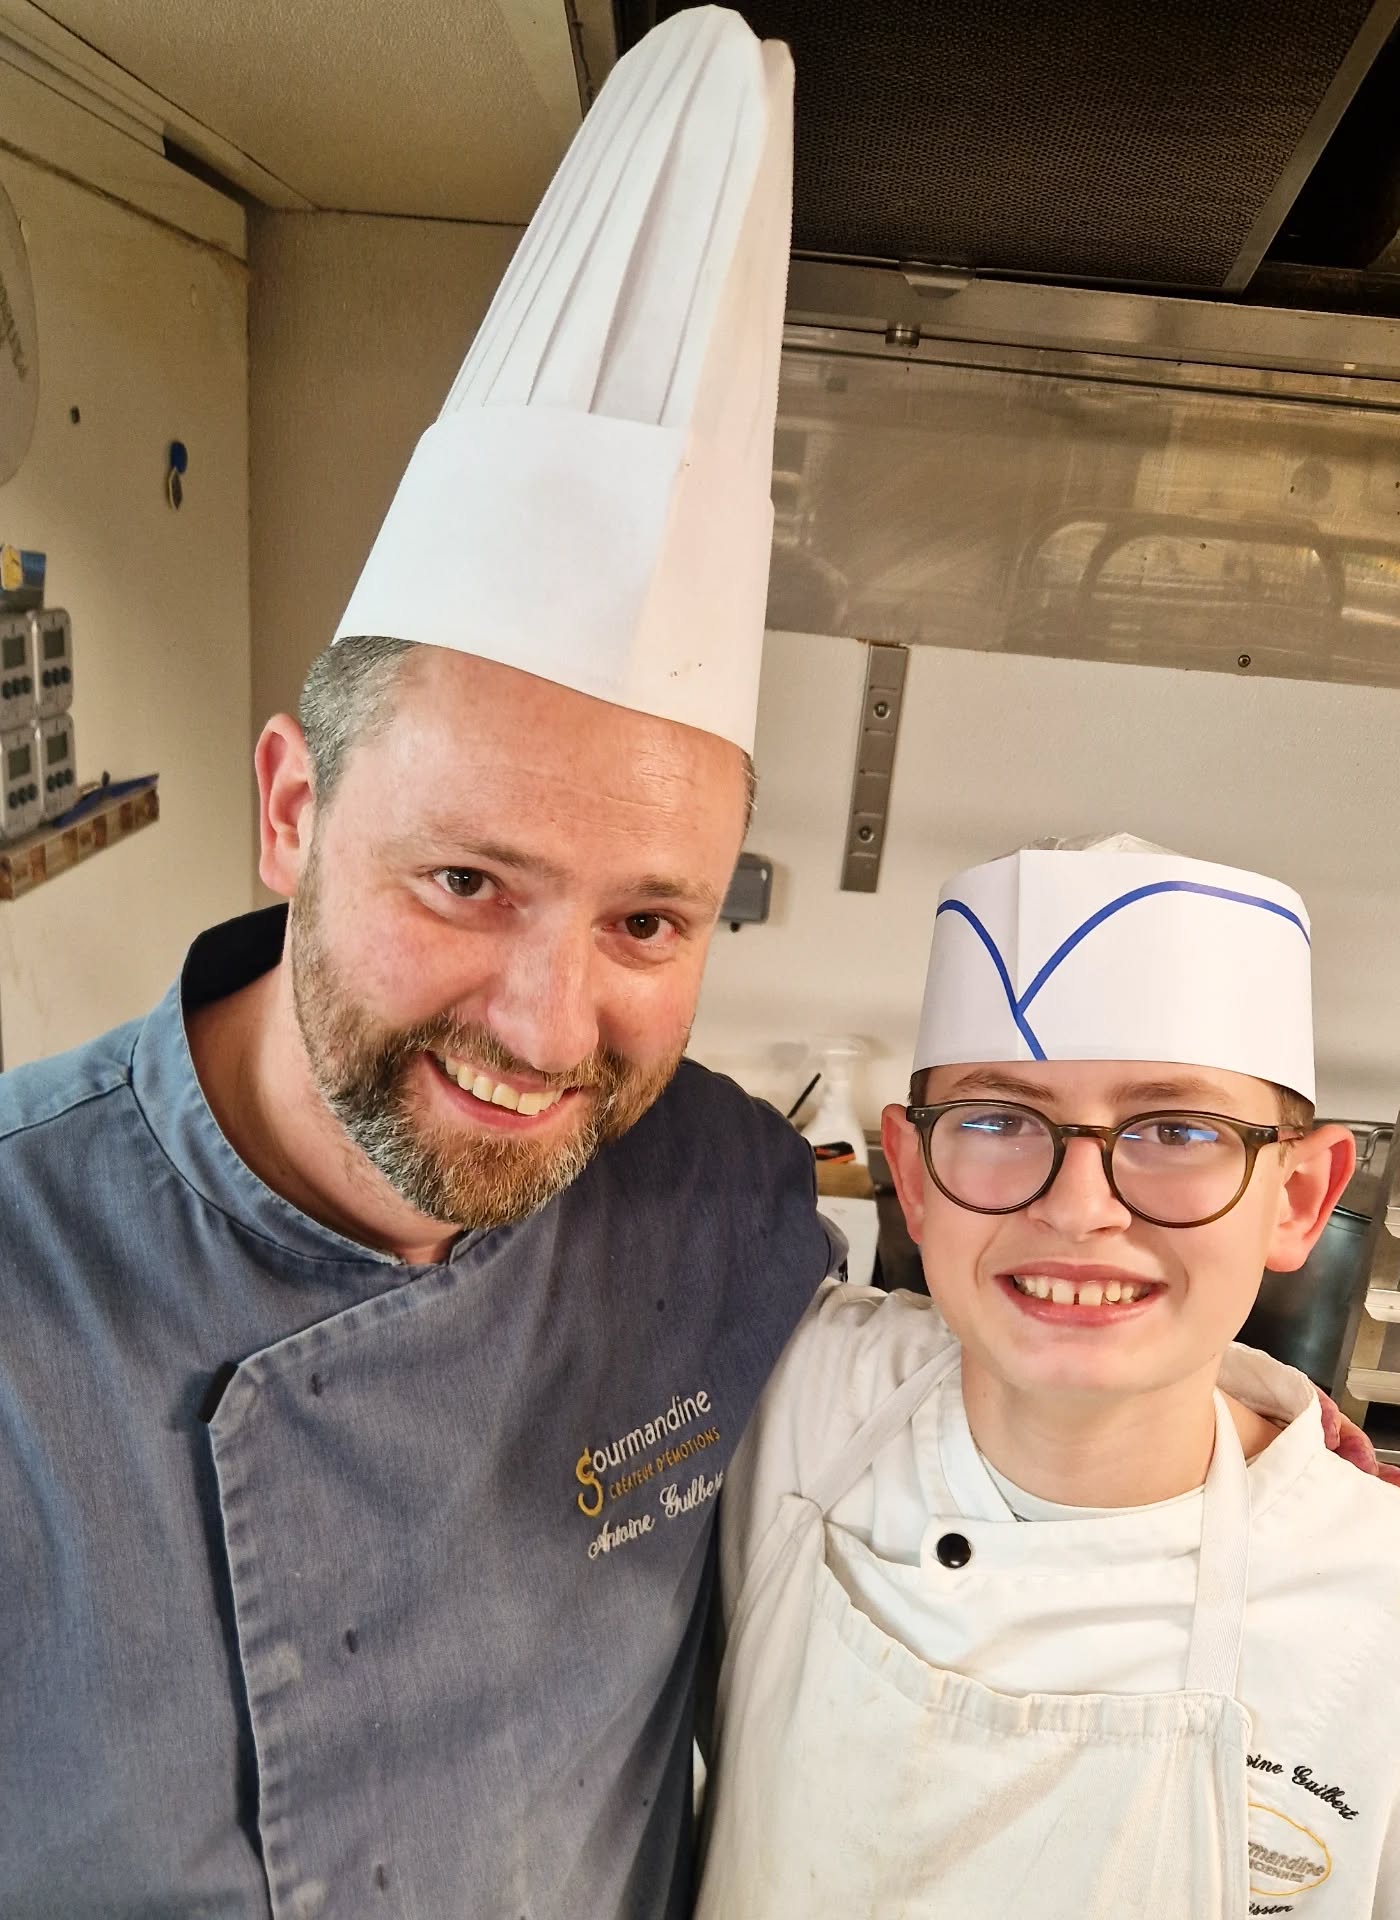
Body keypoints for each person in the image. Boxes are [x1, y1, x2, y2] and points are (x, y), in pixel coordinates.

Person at [0, 13, 836, 1919]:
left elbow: (930, 1474)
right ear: (291, 806)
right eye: (465, 880)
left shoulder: (723, 1204)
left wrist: (1241, 1453)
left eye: (649, 921)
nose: (551, 1030)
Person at [698, 835, 1400, 1919]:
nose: (1082, 1208)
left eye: (1176, 1130)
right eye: (999, 1121)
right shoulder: (792, 1393)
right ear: (910, 1173)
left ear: (1300, 1195)